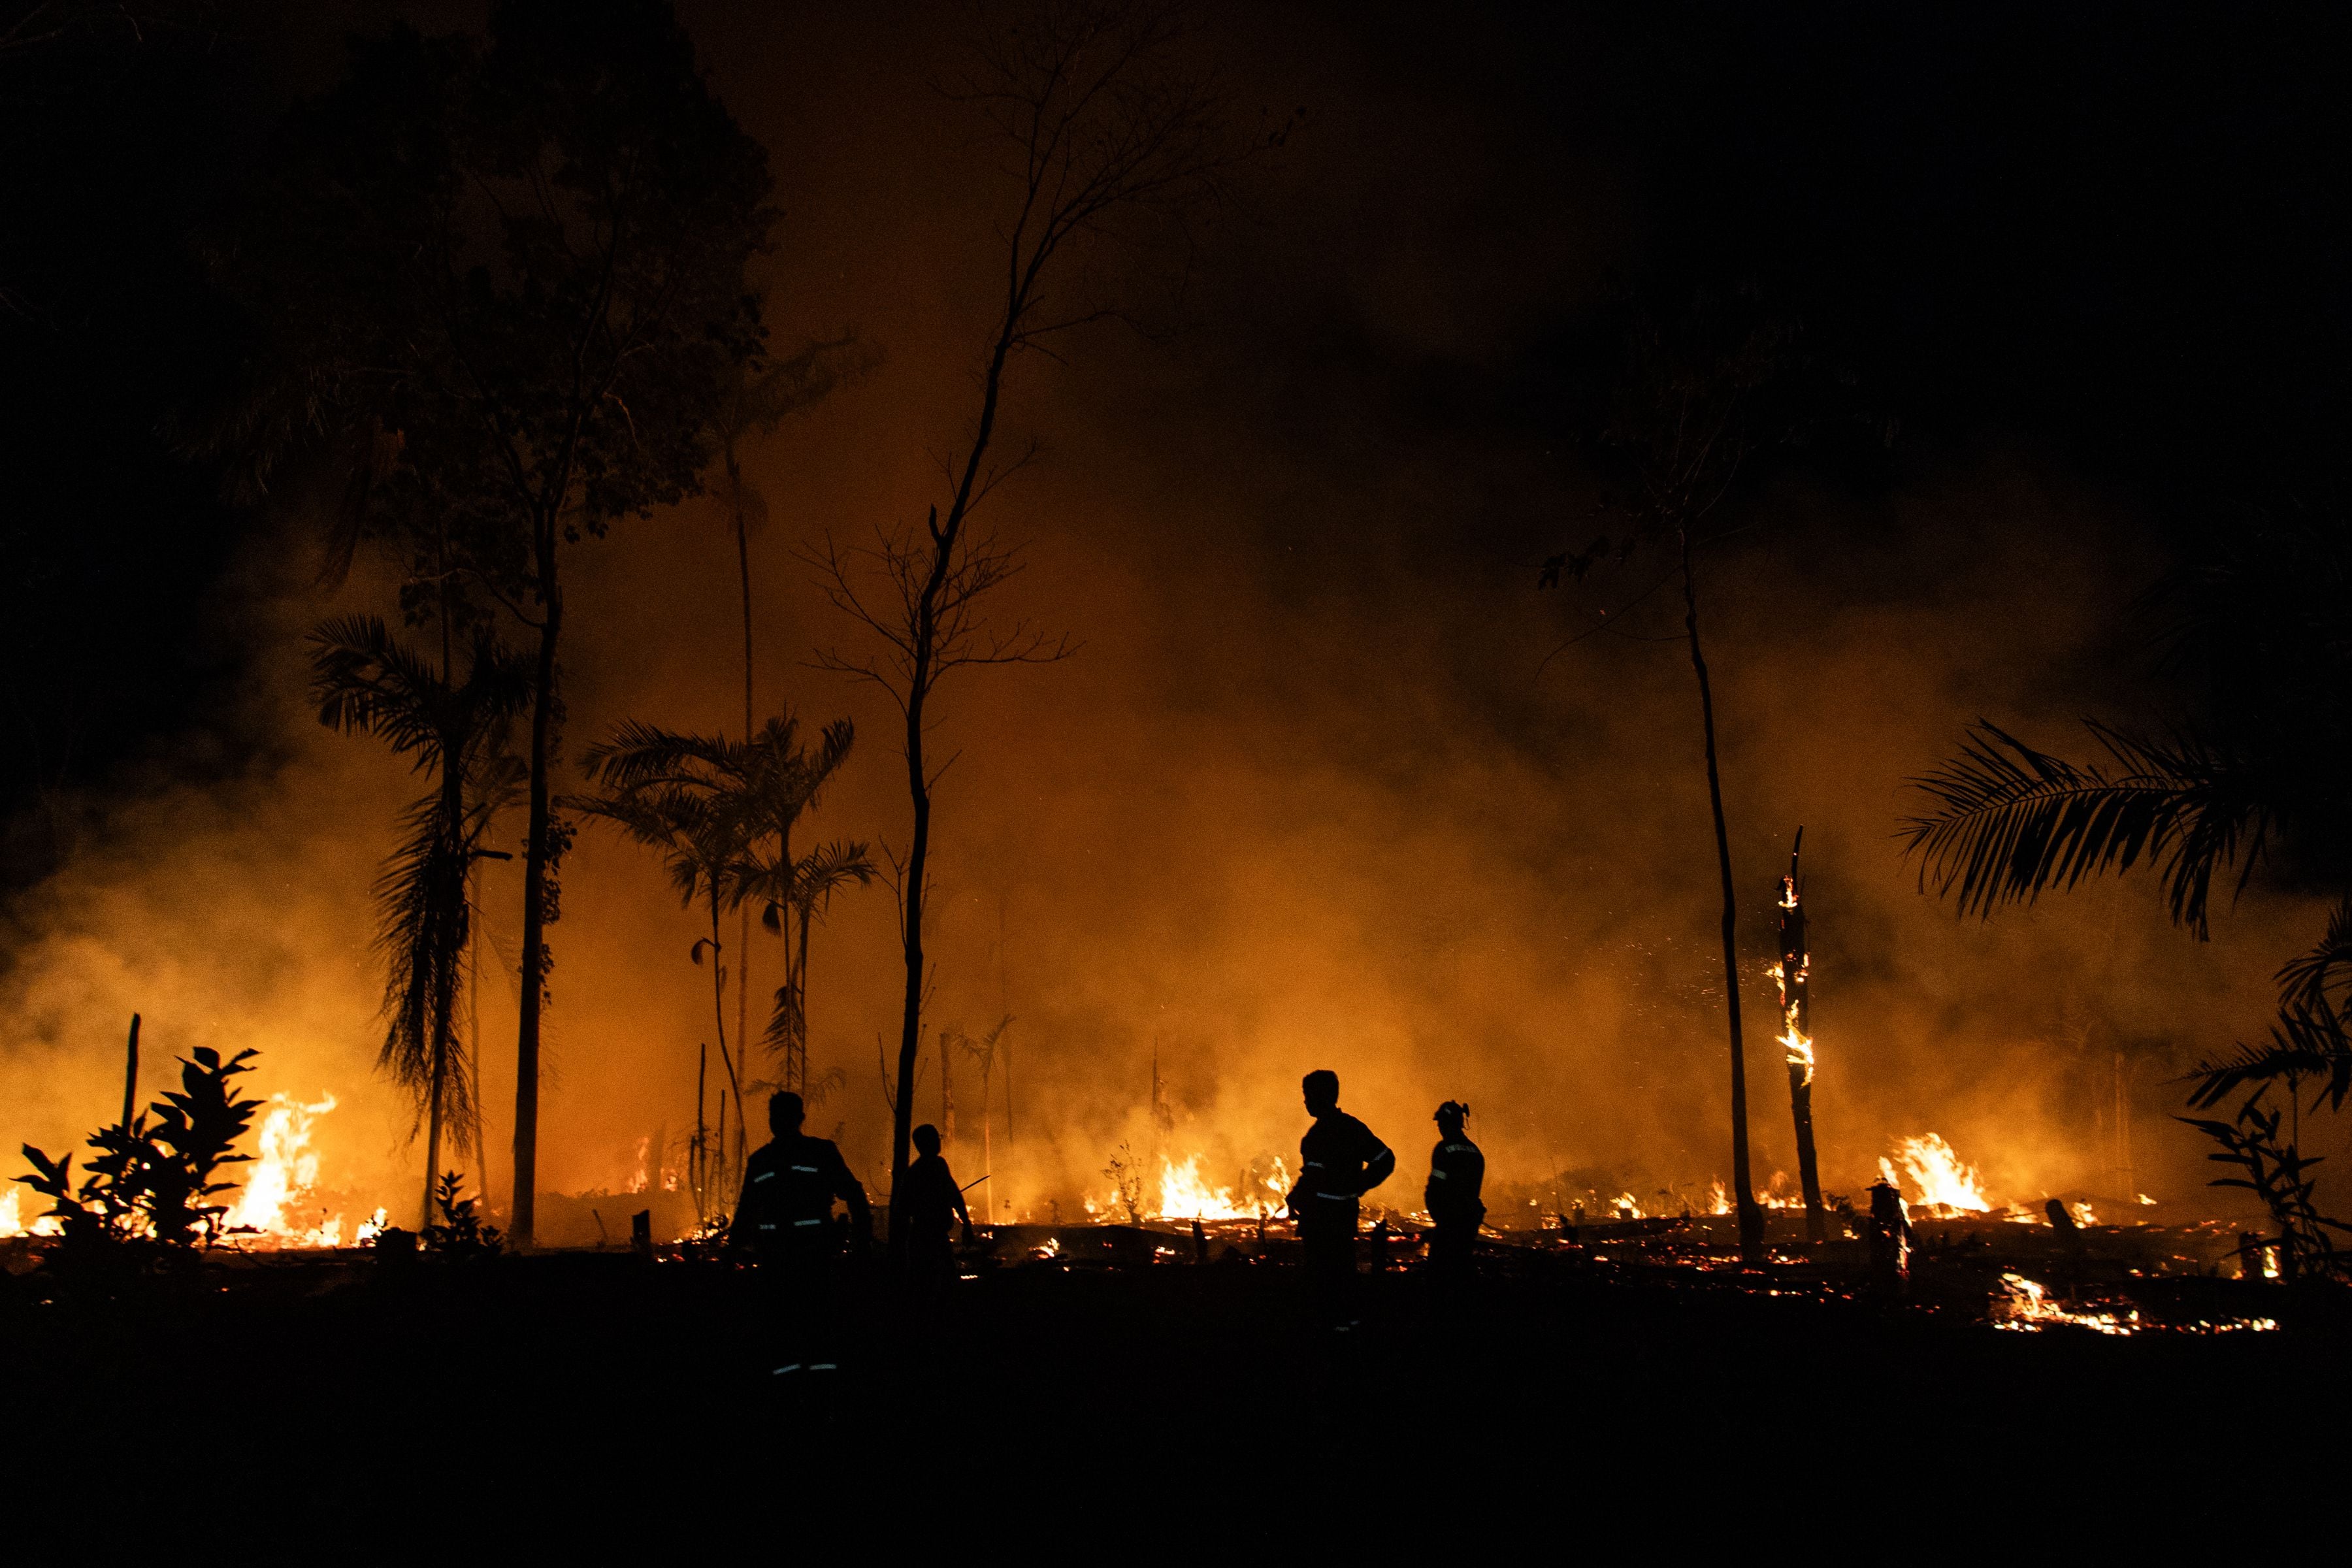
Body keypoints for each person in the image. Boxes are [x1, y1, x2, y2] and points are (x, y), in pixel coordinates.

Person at [728, 1090, 870, 1375]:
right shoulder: (769, 1160)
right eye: (774, 1116)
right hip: (788, 1258)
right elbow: (745, 1210)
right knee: (795, 1326)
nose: (777, 1122)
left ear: (799, 1119)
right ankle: (804, 1389)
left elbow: (853, 1192)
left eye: (782, 1116)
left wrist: (862, 1239)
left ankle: (810, 1389)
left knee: (803, 1325)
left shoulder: (806, 1155)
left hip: (803, 1257)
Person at [1285, 1070, 1394, 1331]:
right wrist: (1360, 1186)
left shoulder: (1317, 1136)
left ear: (1320, 1096)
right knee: (1343, 1268)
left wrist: (1360, 1185)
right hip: (1343, 1213)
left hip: (1322, 1217)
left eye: (1308, 1095)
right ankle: (1347, 1323)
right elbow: (1385, 1159)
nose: (1305, 1101)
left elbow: (1314, 1176)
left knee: (1322, 1273)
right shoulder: (1351, 1127)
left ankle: (1329, 1328)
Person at [900, 1123, 973, 1288]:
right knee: (931, 1284)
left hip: (933, 1237)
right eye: (935, 1139)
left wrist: (967, 1224)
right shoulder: (921, 1171)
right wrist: (966, 1224)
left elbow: (954, 1195)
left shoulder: (933, 1166)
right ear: (926, 1143)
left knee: (941, 1283)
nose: (938, 1142)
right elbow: (904, 1208)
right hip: (925, 1240)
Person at [1424, 1100, 1484, 1281]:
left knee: (1438, 1271)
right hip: (1469, 1221)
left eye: (1441, 1123)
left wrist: (1439, 1215)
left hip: (1449, 1221)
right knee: (1462, 1265)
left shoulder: (1444, 1150)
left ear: (1448, 1123)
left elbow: (1436, 1186)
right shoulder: (1476, 1152)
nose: (1439, 1128)